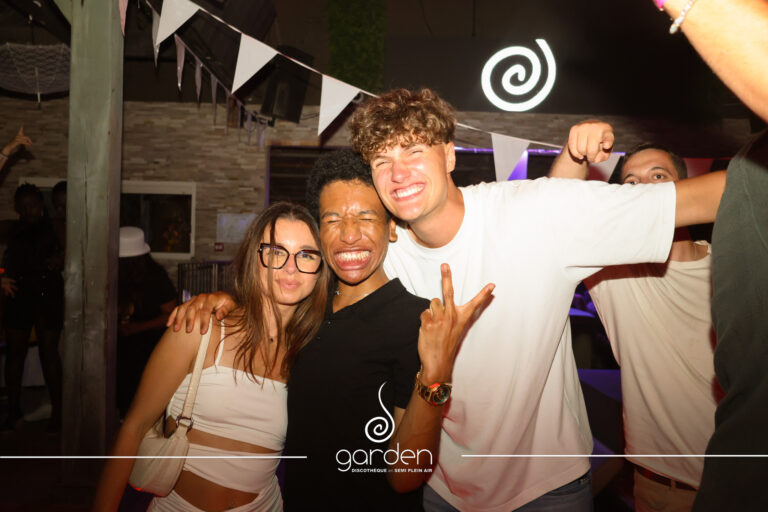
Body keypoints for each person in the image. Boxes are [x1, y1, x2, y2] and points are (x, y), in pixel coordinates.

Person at [173, 87, 725, 512]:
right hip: (440, 493)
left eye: (413, 151)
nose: (399, 172)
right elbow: (302, 283)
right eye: (382, 160)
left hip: (545, 490)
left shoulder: (532, 211)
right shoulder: (384, 251)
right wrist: (228, 301)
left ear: (449, 155)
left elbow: (701, 198)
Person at [171, 150, 494, 510]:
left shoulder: (417, 323)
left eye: (366, 217)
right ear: (319, 233)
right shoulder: (305, 311)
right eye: (333, 219)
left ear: (392, 228)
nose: (350, 235)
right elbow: (260, 315)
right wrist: (224, 302)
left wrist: (436, 374)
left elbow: (406, 477)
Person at [92, 202, 332, 511]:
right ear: (253, 258)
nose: (290, 267)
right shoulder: (200, 330)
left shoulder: (311, 353)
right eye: (275, 251)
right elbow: (133, 429)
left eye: (306, 254)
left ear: (320, 270)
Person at [549, 121, 720, 511]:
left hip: (741, 483)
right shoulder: (613, 270)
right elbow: (555, 218)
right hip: (660, 490)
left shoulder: (729, 265)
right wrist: (577, 153)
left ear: (685, 188)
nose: (644, 190)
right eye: (630, 183)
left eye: (658, 177)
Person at [1, 183, 64, 432]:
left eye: (34, 205)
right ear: (17, 208)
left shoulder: (56, 226)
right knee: (15, 353)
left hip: (48, 293)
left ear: (42, 205)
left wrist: (61, 259)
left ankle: (58, 413)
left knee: (49, 353)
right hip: (18, 293)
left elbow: (75, 251)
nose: (30, 211)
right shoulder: (11, 228)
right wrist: (1, 274)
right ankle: (13, 411)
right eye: (24, 207)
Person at [116, 227, 177, 418]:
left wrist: (137, 328)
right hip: (122, 345)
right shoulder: (114, 274)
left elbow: (170, 314)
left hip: (149, 344)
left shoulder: (155, 277)